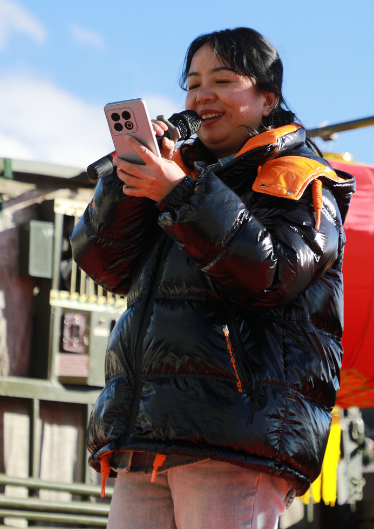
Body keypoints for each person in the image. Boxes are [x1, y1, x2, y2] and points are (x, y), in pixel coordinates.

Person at [71, 27, 355, 529]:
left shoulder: (300, 177)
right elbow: (102, 262)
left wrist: (180, 195)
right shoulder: (177, 174)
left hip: (235, 431)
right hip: (148, 429)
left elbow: (271, 275)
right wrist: (126, 176)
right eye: (194, 83)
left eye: (223, 81)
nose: (202, 95)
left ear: (267, 99)